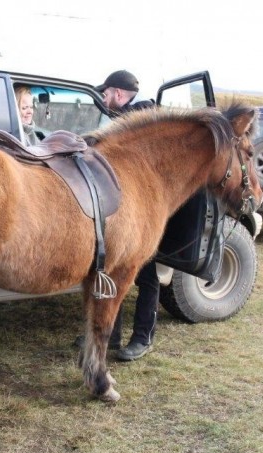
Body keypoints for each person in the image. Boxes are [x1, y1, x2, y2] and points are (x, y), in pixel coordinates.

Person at [78, 70, 159, 361]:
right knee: (116, 271)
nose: (104, 98)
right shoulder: (125, 119)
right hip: (124, 206)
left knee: (146, 274)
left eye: (106, 93)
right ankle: (109, 334)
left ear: (120, 94)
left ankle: (143, 337)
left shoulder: (139, 121)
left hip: (144, 209)